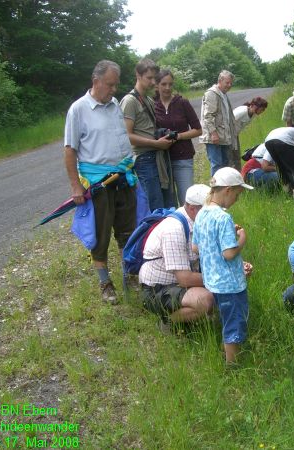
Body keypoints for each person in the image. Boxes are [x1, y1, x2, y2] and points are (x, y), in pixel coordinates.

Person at [64, 60, 137, 304]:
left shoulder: (115, 104)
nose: (114, 89)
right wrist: (76, 186)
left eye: (116, 84)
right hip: (98, 184)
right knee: (100, 235)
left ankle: (130, 278)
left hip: (124, 178)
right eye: (110, 84)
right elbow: (70, 150)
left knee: (128, 231)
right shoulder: (78, 109)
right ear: (96, 81)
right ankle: (105, 283)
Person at [192, 167, 254, 365]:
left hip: (213, 281)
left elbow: (195, 247)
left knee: (226, 318)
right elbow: (229, 254)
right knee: (235, 322)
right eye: (237, 194)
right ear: (227, 190)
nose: (237, 199)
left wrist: (226, 235)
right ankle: (232, 364)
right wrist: (242, 238)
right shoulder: (224, 217)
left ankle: (226, 352)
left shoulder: (202, 213)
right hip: (230, 284)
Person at [140, 184, 214, 328]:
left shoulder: (196, 222)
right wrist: (222, 277)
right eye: (208, 212)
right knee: (205, 299)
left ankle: (193, 318)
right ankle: (168, 322)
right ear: (192, 208)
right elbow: (185, 279)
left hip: (176, 283)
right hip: (157, 289)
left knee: (222, 288)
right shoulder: (173, 230)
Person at [120, 58, 176, 211]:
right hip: (144, 159)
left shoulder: (148, 100)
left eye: (154, 78)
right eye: (149, 78)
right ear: (138, 75)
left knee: (166, 202)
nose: (153, 82)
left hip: (156, 157)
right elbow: (126, 136)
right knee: (155, 205)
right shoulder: (130, 101)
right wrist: (156, 143)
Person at [154, 69, 202, 206]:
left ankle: (190, 227)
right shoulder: (152, 105)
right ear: (157, 85)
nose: (167, 88)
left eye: (170, 84)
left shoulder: (182, 103)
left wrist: (179, 136)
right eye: (163, 84)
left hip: (183, 158)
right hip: (162, 161)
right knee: (168, 203)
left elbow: (198, 130)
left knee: (187, 201)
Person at [200, 70, 238, 175]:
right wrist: (213, 133)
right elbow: (208, 116)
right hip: (214, 138)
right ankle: (215, 190)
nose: (229, 85)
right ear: (220, 81)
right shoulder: (212, 93)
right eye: (227, 83)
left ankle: (224, 189)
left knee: (225, 164)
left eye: (231, 83)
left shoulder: (223, 94)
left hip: (223, 137)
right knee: (217, 165)